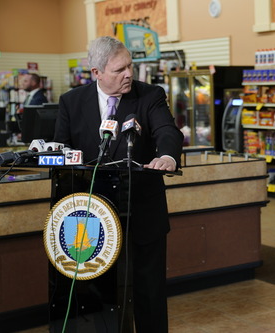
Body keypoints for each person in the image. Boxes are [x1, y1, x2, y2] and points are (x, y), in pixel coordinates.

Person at [54, 36, 183, 332]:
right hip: (90, 218)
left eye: (130, 66)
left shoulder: (150, 95)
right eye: (119, 69)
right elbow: (60, 150)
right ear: (96, 72)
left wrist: (167, 155)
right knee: (97, 294)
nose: (128, 74)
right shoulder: (71, 102)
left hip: (141, 213)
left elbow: (167, 130)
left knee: (148, 294)